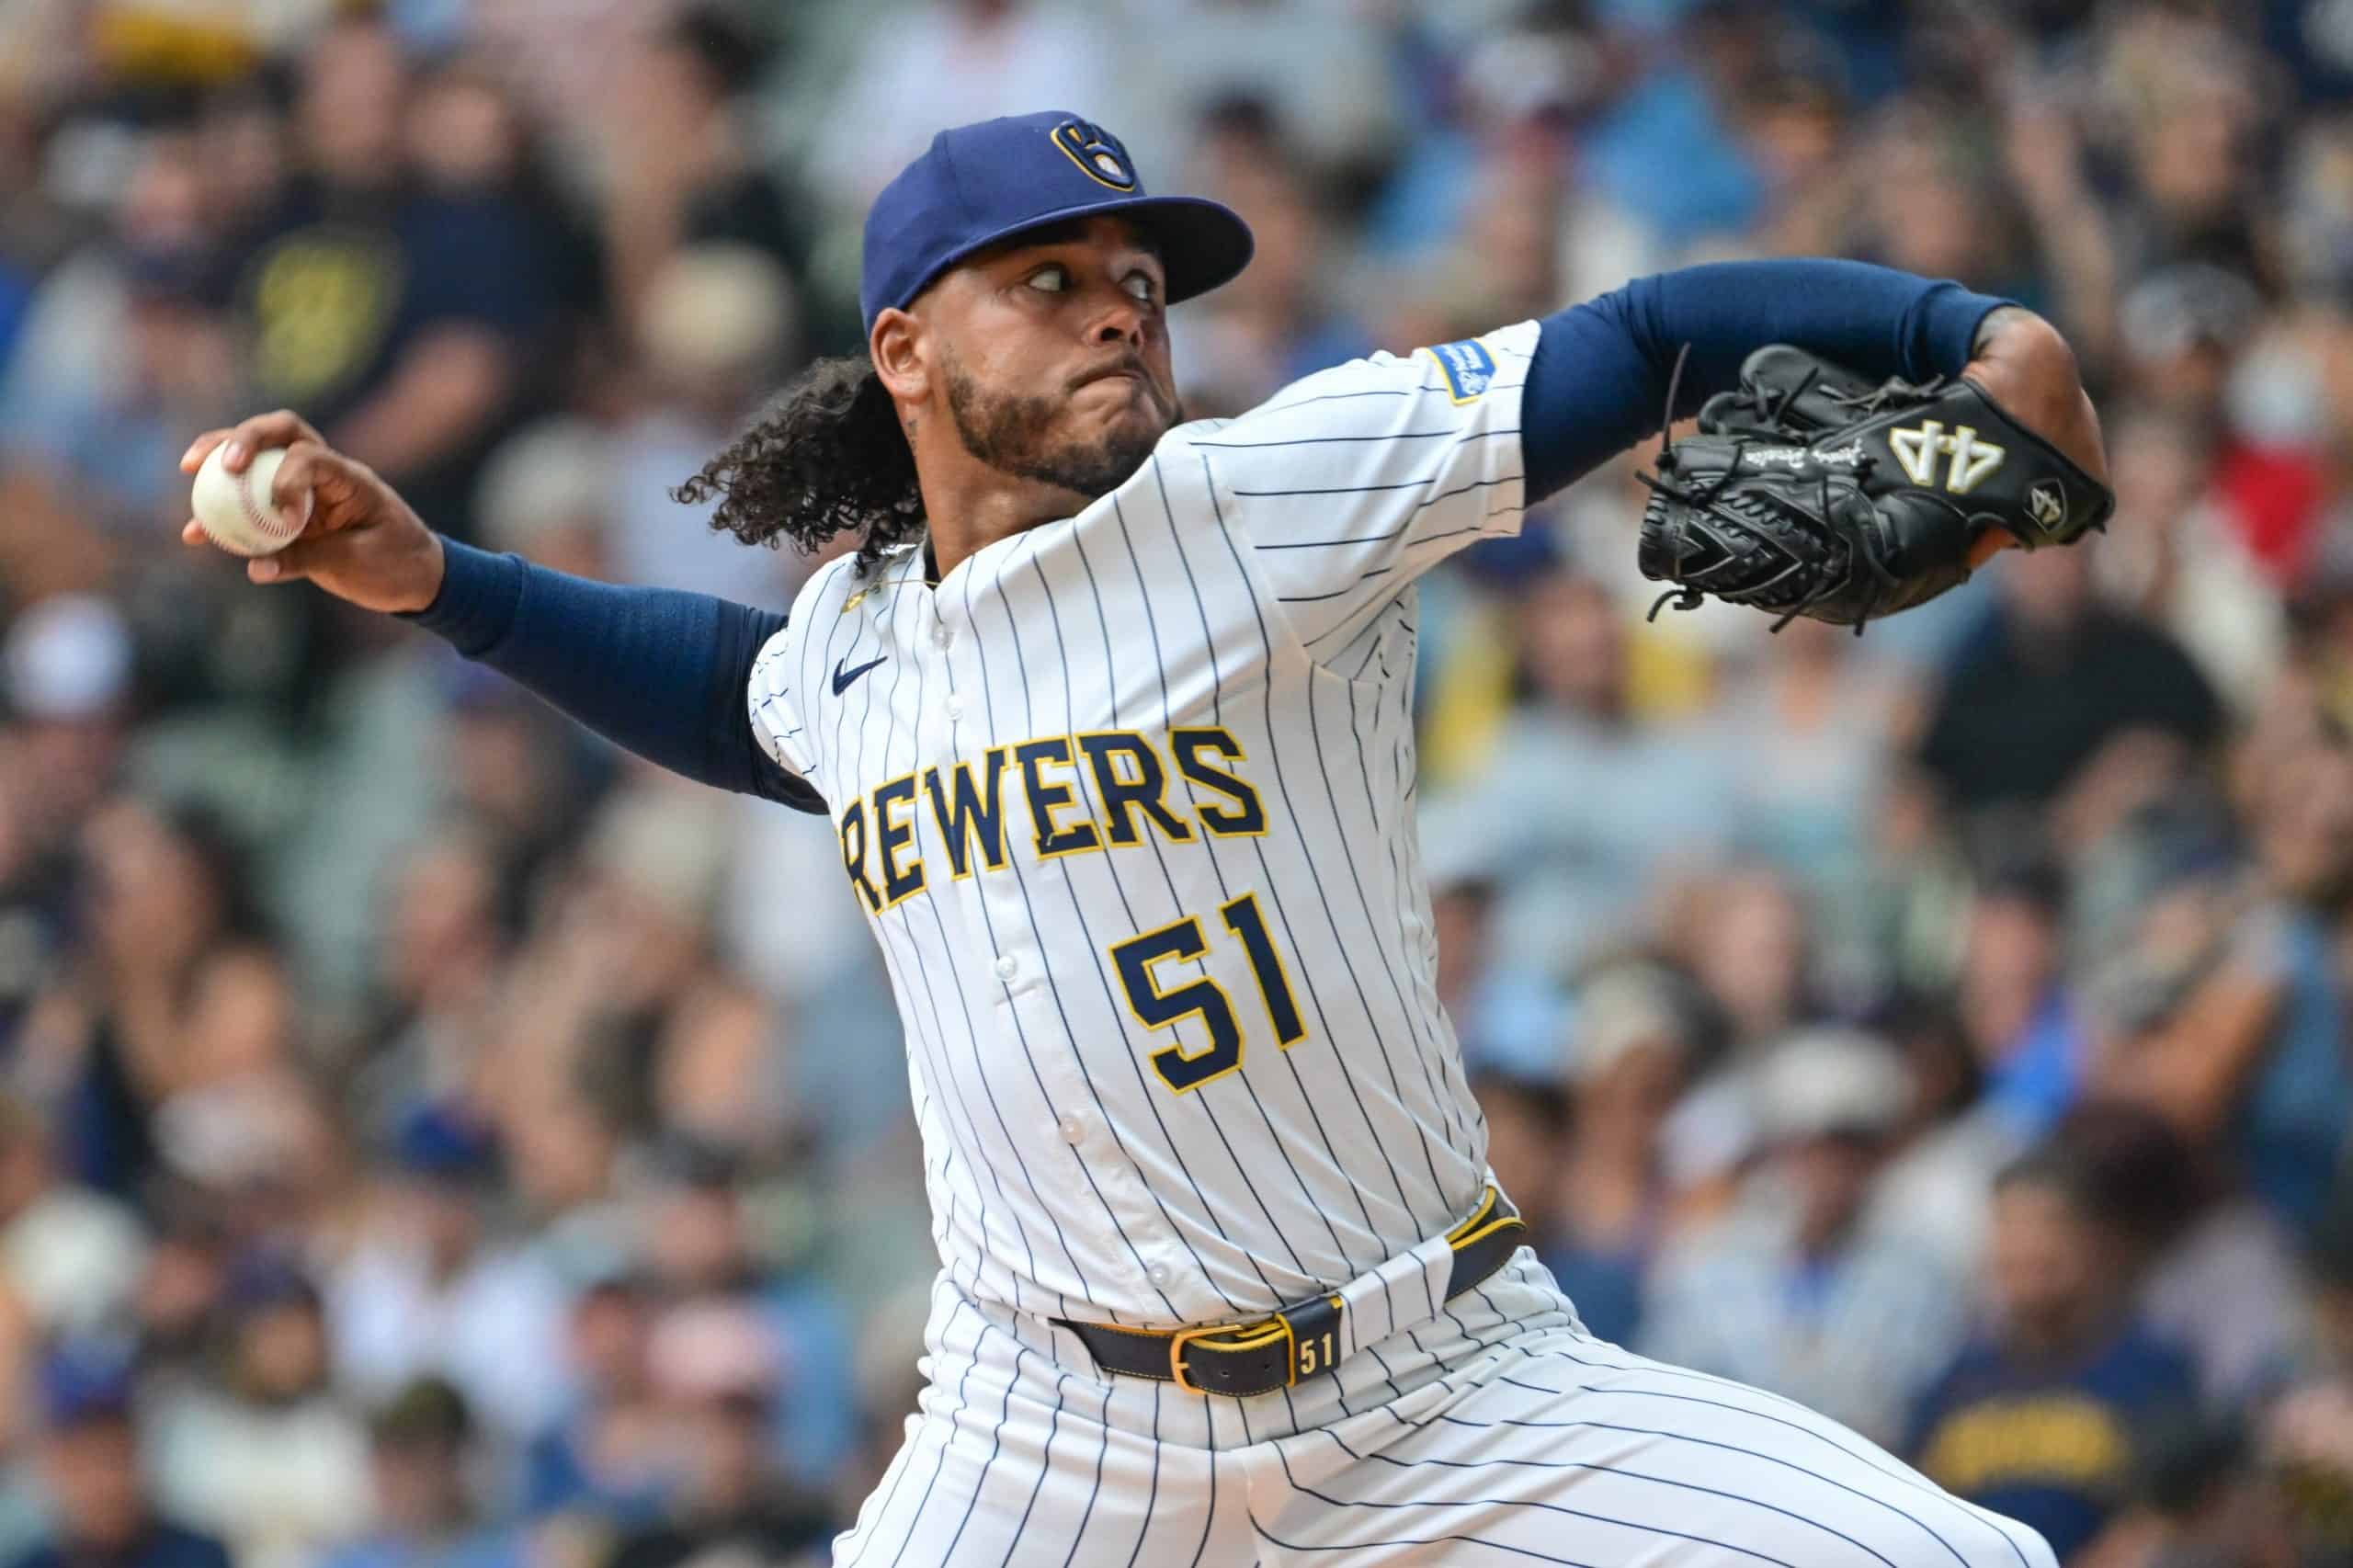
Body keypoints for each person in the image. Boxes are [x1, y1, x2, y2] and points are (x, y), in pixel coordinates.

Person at [179, 108, 2108, 1565]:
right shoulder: (858, 648)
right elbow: (721, 688)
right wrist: (441, 579)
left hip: (1441, 1383)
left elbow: (1644, 330)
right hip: (1044, 1437)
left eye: (1137, 283)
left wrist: (1970, 329)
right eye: (1048, 281)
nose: (1117, 308)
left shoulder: (1267, 498)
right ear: (905, 349)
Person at [1906, 1140, 2201, 1563]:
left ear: (2094, 1238)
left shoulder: (2150, 1373)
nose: (2027, 1247)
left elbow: (2168, 1516)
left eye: (2048, 1224)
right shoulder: (1954, 1383)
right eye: (2009, 1226)